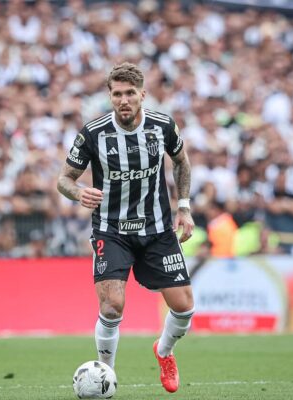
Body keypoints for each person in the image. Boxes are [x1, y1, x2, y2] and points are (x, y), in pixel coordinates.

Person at [57, 62, 195, 394]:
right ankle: (106, 373)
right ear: (109, 96)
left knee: (184, 307)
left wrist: (185, 207)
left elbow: (181, 161)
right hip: (111, 229)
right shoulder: (93, 133)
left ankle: (163, 352)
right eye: (117, 94)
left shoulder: (162, 126)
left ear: (142, 95)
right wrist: (79, 192)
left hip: (158, 229)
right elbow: (64, 180)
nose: (124, 100)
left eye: (130, 93)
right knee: (111, 306)